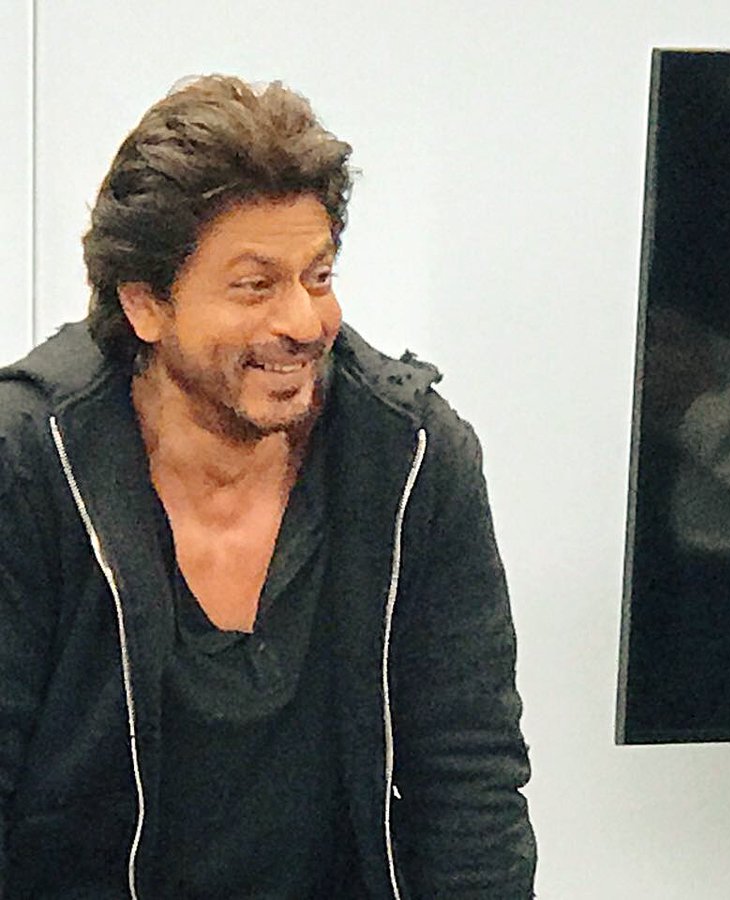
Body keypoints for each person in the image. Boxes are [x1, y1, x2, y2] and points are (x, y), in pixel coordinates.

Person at [0, 75, 535, 898]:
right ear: (145, 305)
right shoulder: (29, 466)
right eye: (255, 286)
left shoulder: (409, 457)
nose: (304, 322)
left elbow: (469, 781)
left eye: (317, 277)